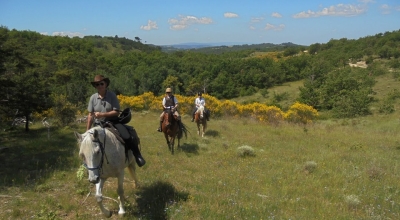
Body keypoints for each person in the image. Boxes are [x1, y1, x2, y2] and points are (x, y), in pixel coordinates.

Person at [87, 75, 146, 167]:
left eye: (101, 83)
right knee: (89, 142)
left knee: (127, 136)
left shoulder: (112, 95)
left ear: (106, 84)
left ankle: (137, 155)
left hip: (113, 122)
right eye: (97, 84)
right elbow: (90, 115)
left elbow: (116, 112)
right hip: (98, 124)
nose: (100, 86)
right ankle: (89, 163)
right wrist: (88, 130)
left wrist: (102, 114)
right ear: (95, 86)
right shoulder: (93, 98)